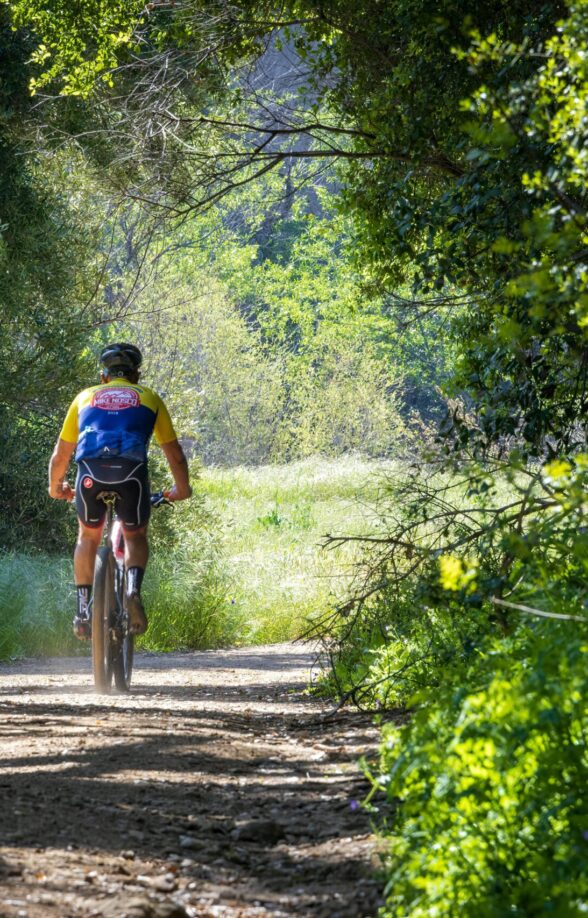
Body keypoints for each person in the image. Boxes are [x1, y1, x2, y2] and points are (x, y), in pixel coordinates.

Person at [48, 343, 192, 639]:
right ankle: (132, 590)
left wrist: (56, 487)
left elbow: (61, 455)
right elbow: (175, 454)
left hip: (90, 475)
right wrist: (182, 489)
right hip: (131, 476)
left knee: (87, 537)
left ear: (104, 377)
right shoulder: (149, 397)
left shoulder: (84, 397)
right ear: (136, 375)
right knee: (135, 534)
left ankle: (83, 613)